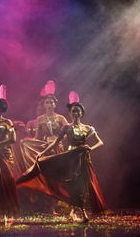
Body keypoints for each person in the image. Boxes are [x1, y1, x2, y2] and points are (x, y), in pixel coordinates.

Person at [17, 94, 107, 222]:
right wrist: (39, 150)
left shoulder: (78, 125)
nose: (76, 113)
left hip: (76, 156)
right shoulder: (55, 123)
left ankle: (73, 210)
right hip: (66, 155)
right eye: (73, 111)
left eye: (78, 111)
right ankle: (76, 211)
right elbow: (44, 139)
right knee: (65, 181)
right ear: (70, 113)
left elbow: (98, 141)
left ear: (81, 113)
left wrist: (89, 148)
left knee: (82, 183)